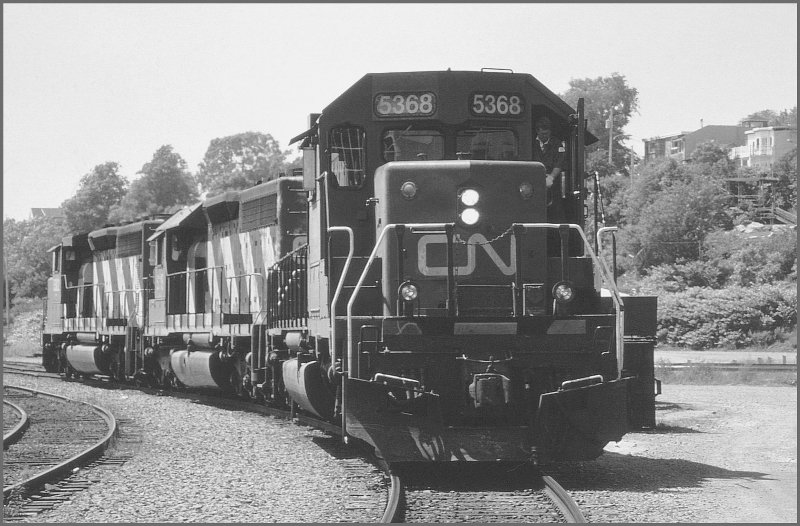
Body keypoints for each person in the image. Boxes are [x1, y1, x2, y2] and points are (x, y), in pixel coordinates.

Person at [532, 116, 565, 189]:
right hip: (533, 180)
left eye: (547, 133)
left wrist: (551, 177)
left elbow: (559, 163)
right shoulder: (531, 143)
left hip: (552, 182)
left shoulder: (557, 144)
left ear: (550, 131)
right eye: (542, 133)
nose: (545, 136)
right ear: (537, 131)